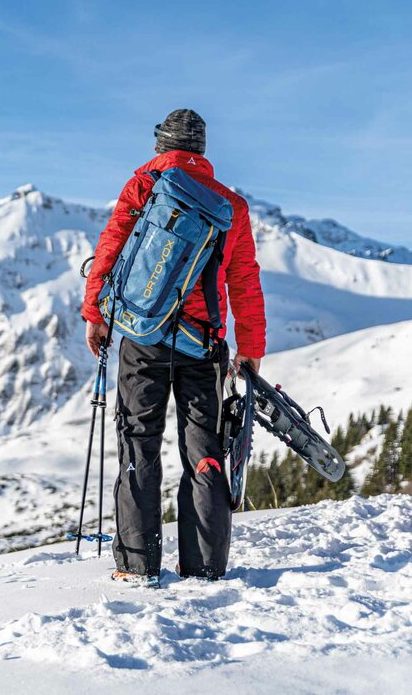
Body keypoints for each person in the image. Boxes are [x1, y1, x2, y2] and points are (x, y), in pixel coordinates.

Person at [81, 109, 266, 582]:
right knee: (204, 450)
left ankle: (137, 566)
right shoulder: (231, 206)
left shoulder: (144, 184)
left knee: (138, 443)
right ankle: (204, 566)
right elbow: (244, 280)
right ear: (202, 150)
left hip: (142, 337)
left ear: (161, 145)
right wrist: (251, 347)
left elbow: (112, 246)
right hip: (201, 346)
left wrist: (96, 314)